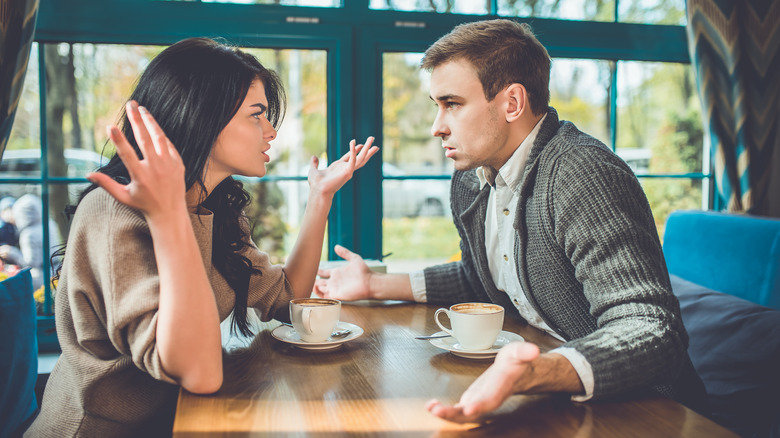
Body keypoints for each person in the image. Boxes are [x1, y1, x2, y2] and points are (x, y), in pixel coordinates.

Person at [314, 19, 708, 423]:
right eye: (437, 106)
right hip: (555, 390)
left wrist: (536, 373)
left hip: (648, 408)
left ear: (512, 103)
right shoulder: (471, 180)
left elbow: (652, 328)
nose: (437, 127)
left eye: (452, 104)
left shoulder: (581, 173)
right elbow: (482, 278)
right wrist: (375, 286)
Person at [25, 37, 378, 437]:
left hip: (174, 420)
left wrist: (320, 198)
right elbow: (200, 373)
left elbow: (288, 298)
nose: (271, 132)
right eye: (257, 116)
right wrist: (170, 214)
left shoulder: (214, 207)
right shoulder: (113, 209)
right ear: (202, 117)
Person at [0, 194, 62, 289]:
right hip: (56, 272)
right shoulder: (49, 223)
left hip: (41, 278)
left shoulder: (28, 234)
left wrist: (11, 252)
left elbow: (30, 264)